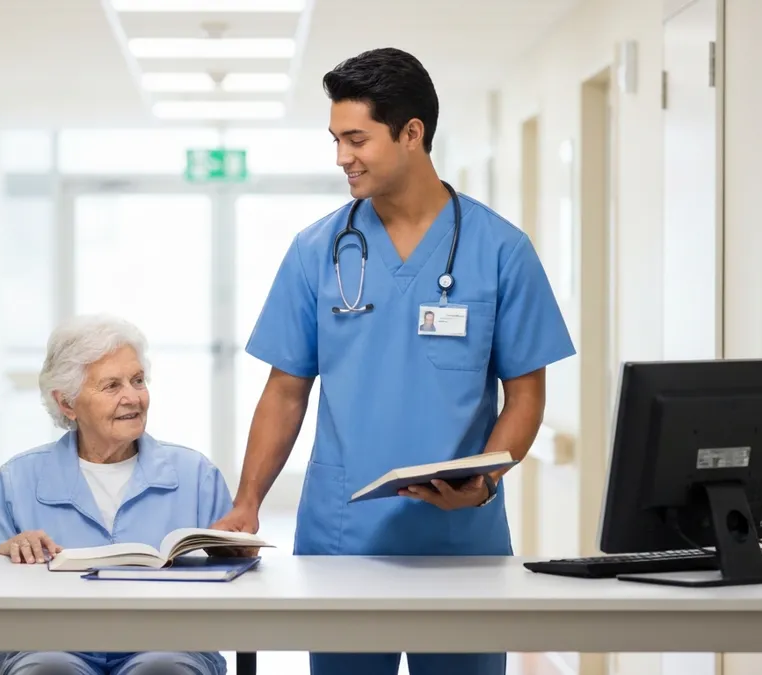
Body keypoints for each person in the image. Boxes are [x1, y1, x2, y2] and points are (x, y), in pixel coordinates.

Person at [211, 47, 575, 675]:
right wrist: (248, 501)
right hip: (343, 542)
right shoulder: (316, 251)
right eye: (334, 139)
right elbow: (285, 390)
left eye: (356, 138)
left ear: (413, 134)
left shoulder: (501, 251)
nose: (340, 157)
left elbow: (525, 396)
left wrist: (485, 482)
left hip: (461, 545)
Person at [0, 314, 231, 675]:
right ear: (67, 404)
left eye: (138, 381)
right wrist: (5, 548)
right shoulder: (19, 477)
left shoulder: (196, 474)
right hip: (50, 645)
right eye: (112, 386)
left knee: (164, 668)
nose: (132, 397)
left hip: (167, 643)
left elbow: (238, 576)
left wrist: (235, 550)